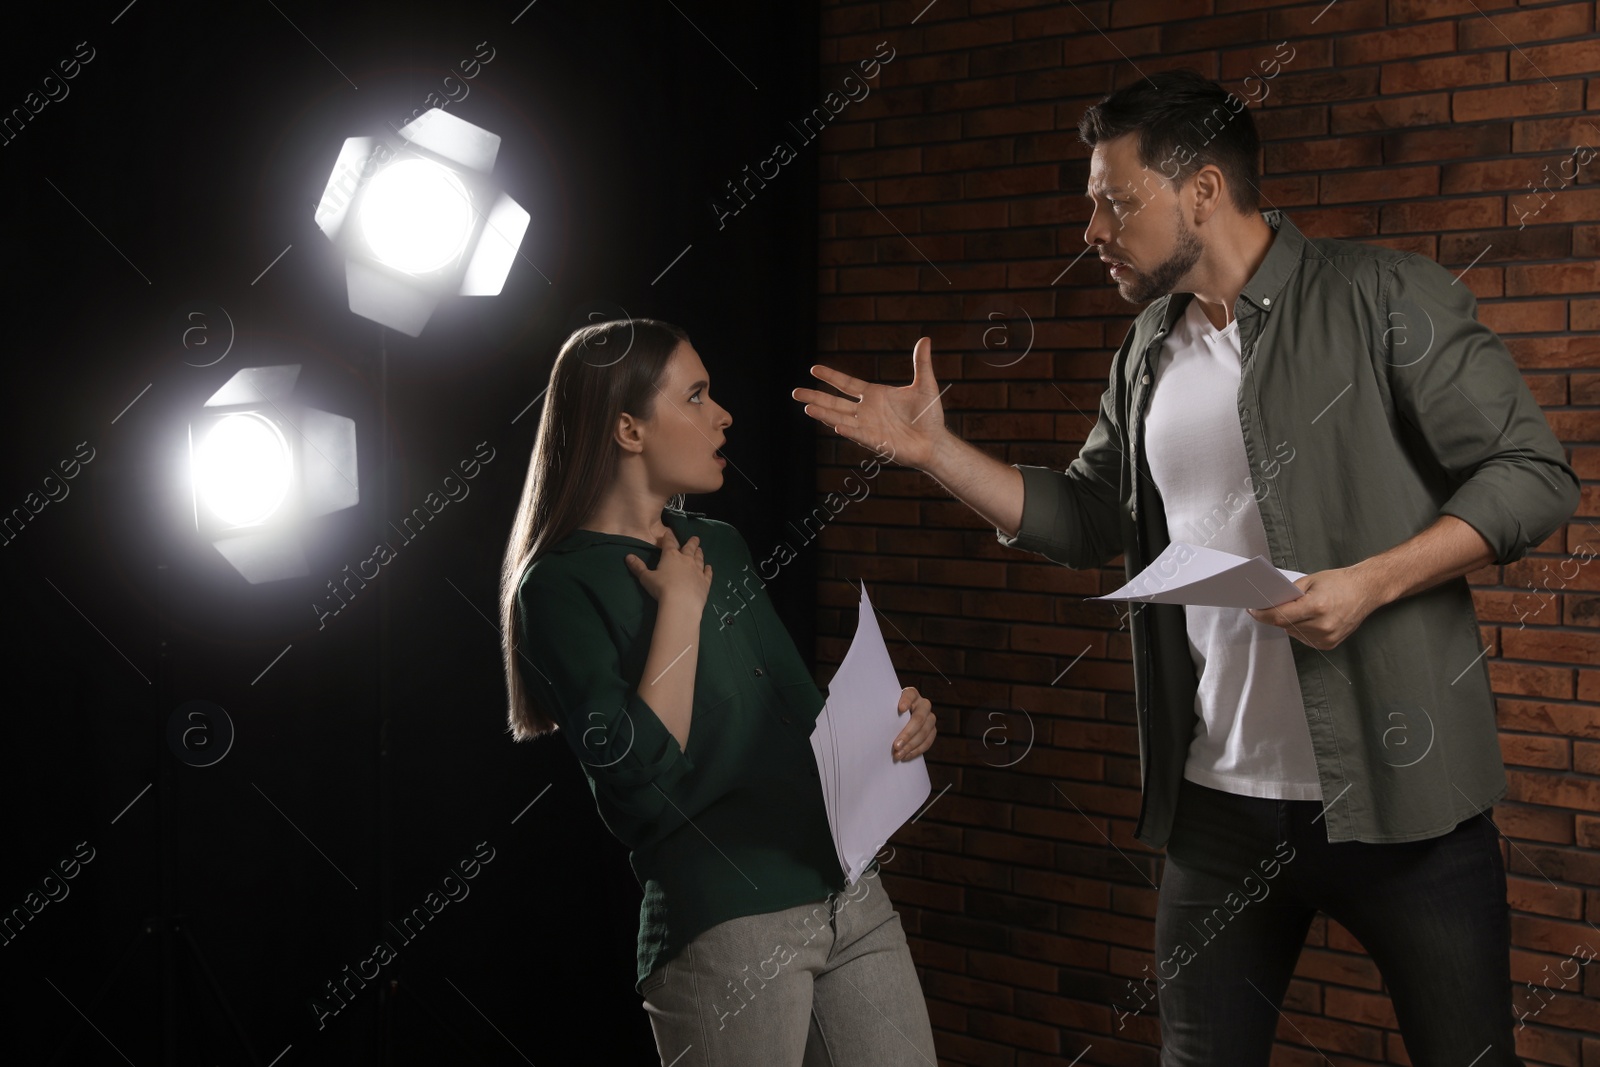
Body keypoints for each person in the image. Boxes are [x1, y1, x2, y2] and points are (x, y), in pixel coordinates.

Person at [792, 69, 1579, 1066]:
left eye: (1114, 202)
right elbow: (1085, 517)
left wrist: (1367, 583)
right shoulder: (1144, 352)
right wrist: (935, 453)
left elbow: (1534, 474)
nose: (1092, 231)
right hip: (1219, 813)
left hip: (1403, 803)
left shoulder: (1384, 295)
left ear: (1200, 190)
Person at [497, 317, 941, 1065]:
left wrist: (891, 729)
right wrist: (678, 607)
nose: (723, 413)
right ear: (629, 428)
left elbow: (800, 720)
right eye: (696, 396)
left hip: (848, 892)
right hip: (726, 922)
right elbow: (637, 788)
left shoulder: (721, 544)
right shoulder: (557, 586)